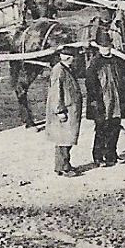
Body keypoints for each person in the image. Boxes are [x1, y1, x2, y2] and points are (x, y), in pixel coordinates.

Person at [85, 42, 125, 167]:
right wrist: (95, 102)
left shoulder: (117, 61)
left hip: (116, 100)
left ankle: (112, 154)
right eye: (102, 47)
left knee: (115, 128)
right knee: (101, 129)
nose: (105, 49)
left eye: (108, 46)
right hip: (102, 103)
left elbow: (124, 79)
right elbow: (90, 85)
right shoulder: (94, 63)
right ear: (99, 48)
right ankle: (98, 157)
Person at [46, 48, 85, 177]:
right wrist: (59, 110)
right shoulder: (59, 71)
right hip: (65, 111)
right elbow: (56, 93)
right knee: (63, 139)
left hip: (69, 109)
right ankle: (63, 168)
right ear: (69, 58)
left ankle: (64, 165)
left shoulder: (65, 68)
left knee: (67, 139)